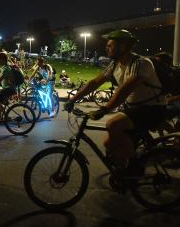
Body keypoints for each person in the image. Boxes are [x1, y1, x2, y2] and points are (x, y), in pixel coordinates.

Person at [64, 29, 167, 171]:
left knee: (113, 125)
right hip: (134, 110)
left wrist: (105, 109)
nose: (106, 48)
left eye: (110, 45)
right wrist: (72, 99)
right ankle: (122, 173)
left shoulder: (141, 63)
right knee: (109, 143)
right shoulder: (115, 65)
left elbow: (125, 90)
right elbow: (95, 83)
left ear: (123, 46)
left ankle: (134, 166)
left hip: (152, 108)